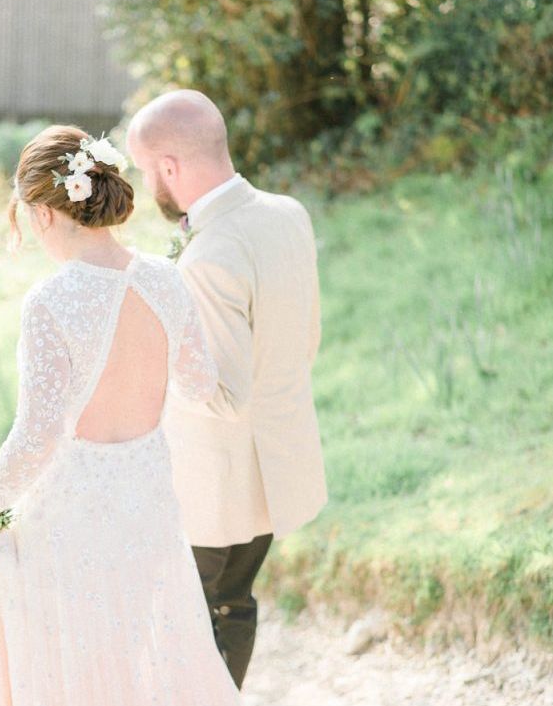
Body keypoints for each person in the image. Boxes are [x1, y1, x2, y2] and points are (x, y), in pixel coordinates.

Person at [0, 125, 242, 706]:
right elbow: (199, 384)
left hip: (72, 514)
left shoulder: (51, 301)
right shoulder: (165, 278)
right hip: (147, 501)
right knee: (140, 650)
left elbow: (38, 433)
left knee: (76, 663)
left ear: (44, 213)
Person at [127, 89, 328, 689]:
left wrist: (153, 360)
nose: (147, 184)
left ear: (169, 167)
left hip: (214, 489)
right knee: (233, 606)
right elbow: (306, 338)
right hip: (276, 469)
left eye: (145, 170)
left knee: (185, 623)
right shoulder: (287, 214)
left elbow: (224, 393)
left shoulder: (210, 256)